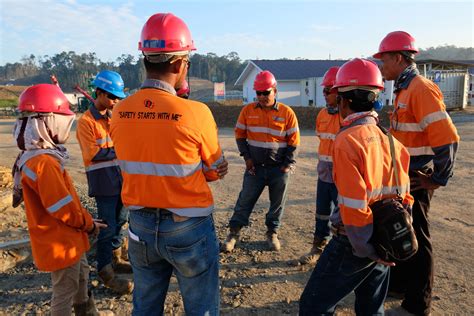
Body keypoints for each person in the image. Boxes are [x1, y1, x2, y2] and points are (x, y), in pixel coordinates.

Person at [110, 13, 228, 315]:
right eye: (187, 61)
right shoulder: (196, 113)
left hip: (140, 227)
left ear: (145, 59)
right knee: (200, 305)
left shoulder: (120, 111)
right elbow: (214, 169)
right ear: (178, 64)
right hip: (187, 227)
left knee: (145, 307)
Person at [299, 58, 414, 315]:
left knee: (313, 306)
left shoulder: (348, 140)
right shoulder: (391, 141)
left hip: (356, 242)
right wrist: (390, 243)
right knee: (371, 308)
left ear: (345, 100)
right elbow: (406, 198)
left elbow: (354, 205)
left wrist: (367, 249)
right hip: (386, 236)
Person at [374, 31, 460, 316]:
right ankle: (400, 285)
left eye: (383, 59)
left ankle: (417, 305)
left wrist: (436, 178)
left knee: (418, 238)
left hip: (416, 177)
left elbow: (447, 137)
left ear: (398, 58)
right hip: (403, 177)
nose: (380, 66)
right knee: (401, 231)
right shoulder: (403, 89)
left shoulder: (420, 88)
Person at [11, 84, 107, 315]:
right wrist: (88, 224)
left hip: (67, 238)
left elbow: (65, 203)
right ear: (47, 122)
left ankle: (87, 311)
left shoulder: (34, 157)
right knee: (64, 292)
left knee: (81, 280)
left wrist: (84, 221)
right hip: (60, 242)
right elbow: (63, 209)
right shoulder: (43, 162)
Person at [222, 70, 300, 252]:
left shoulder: (287, 113)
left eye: (266, 92)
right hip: (255, 168)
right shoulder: (247, 111)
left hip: (278, 169)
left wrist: (288, 164)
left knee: (277, 203)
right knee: (245, 200)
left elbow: (294, 141)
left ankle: (272, 233)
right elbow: (240, 135)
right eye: (259, 93)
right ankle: (234, 233)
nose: (262, 97)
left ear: (275, 91)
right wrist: (247, 158)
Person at [76, 70, 133, 295]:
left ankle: (116, 258)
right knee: (106, 227)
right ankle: (104, 269)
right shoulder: (86, 122)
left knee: (122, 221)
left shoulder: (114, 117)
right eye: (111, 97)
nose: (115, 101)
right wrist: (122, 149)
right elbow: (93, 153)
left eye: (117, 98)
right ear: (98, 93)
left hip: (122, 180)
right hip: (103, 183)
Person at [298, 66, 341, 265]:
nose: (324, 94)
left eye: (327, 91)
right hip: (324, 174)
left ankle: (340, 253)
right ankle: (318, 247)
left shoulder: (349, 116)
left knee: (343, 217)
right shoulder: (322, 115)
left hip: (343, 176)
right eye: (323, 90)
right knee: (321, 212)